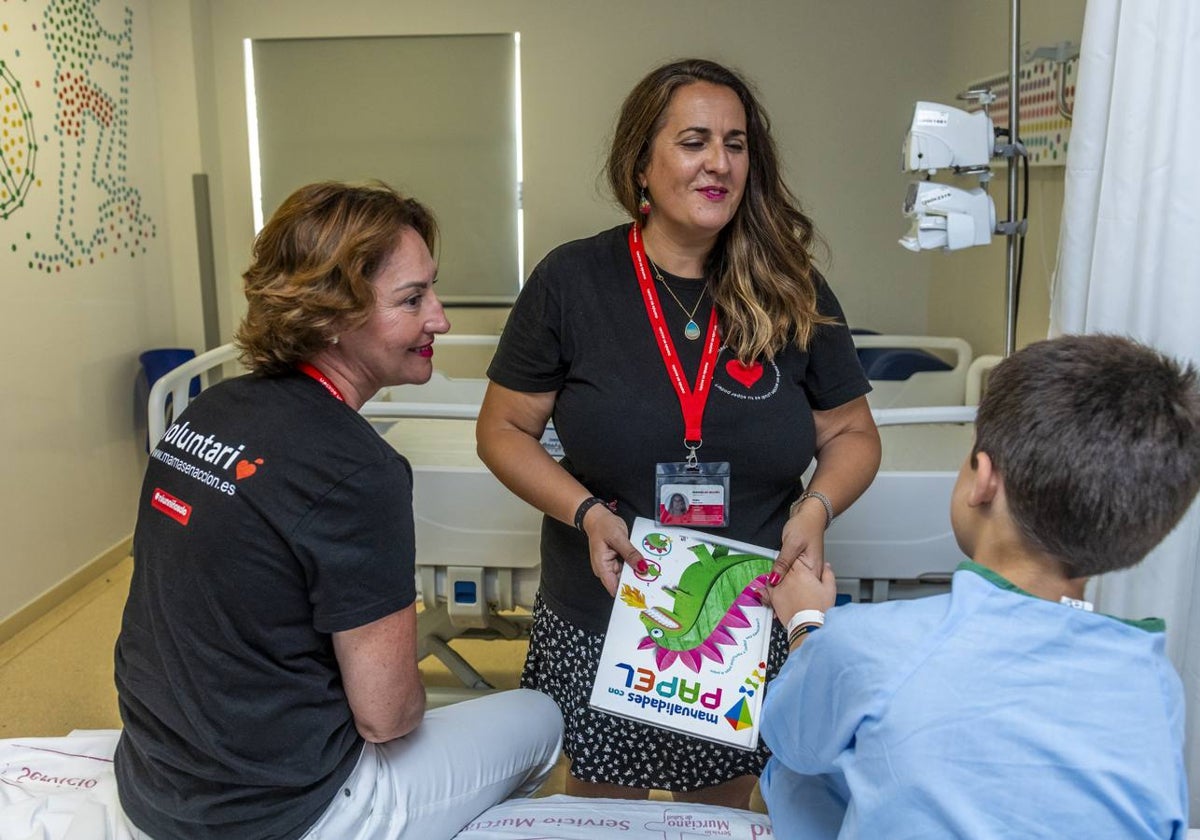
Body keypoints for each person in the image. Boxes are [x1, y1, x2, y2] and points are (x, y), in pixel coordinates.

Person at [476, 58, 881, 808]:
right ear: (641, 162)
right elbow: (503, 428)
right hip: (606, 607)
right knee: (601, 814)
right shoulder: (572, 282)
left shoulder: (789, 286)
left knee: (719, 815)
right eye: (694, 141)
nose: (719, 163)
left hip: (742, 615)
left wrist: (816, 509)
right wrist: (586, 512)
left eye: (735, 143)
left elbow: (854, 433)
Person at [114, 181, 562, 840]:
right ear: (330, 317)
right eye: (413, 300)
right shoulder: (359, 471)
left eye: (432, 290)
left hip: (155, 782)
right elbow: (387, 717)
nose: (440, 318)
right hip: (279, 813)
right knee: (540, 720)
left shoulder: (205, 411)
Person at [759, 334, 1200, 839]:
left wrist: (806, 627)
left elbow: (791, 739)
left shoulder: (870, 644)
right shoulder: (1151, 680)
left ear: (984, 479)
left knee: (799, 774)